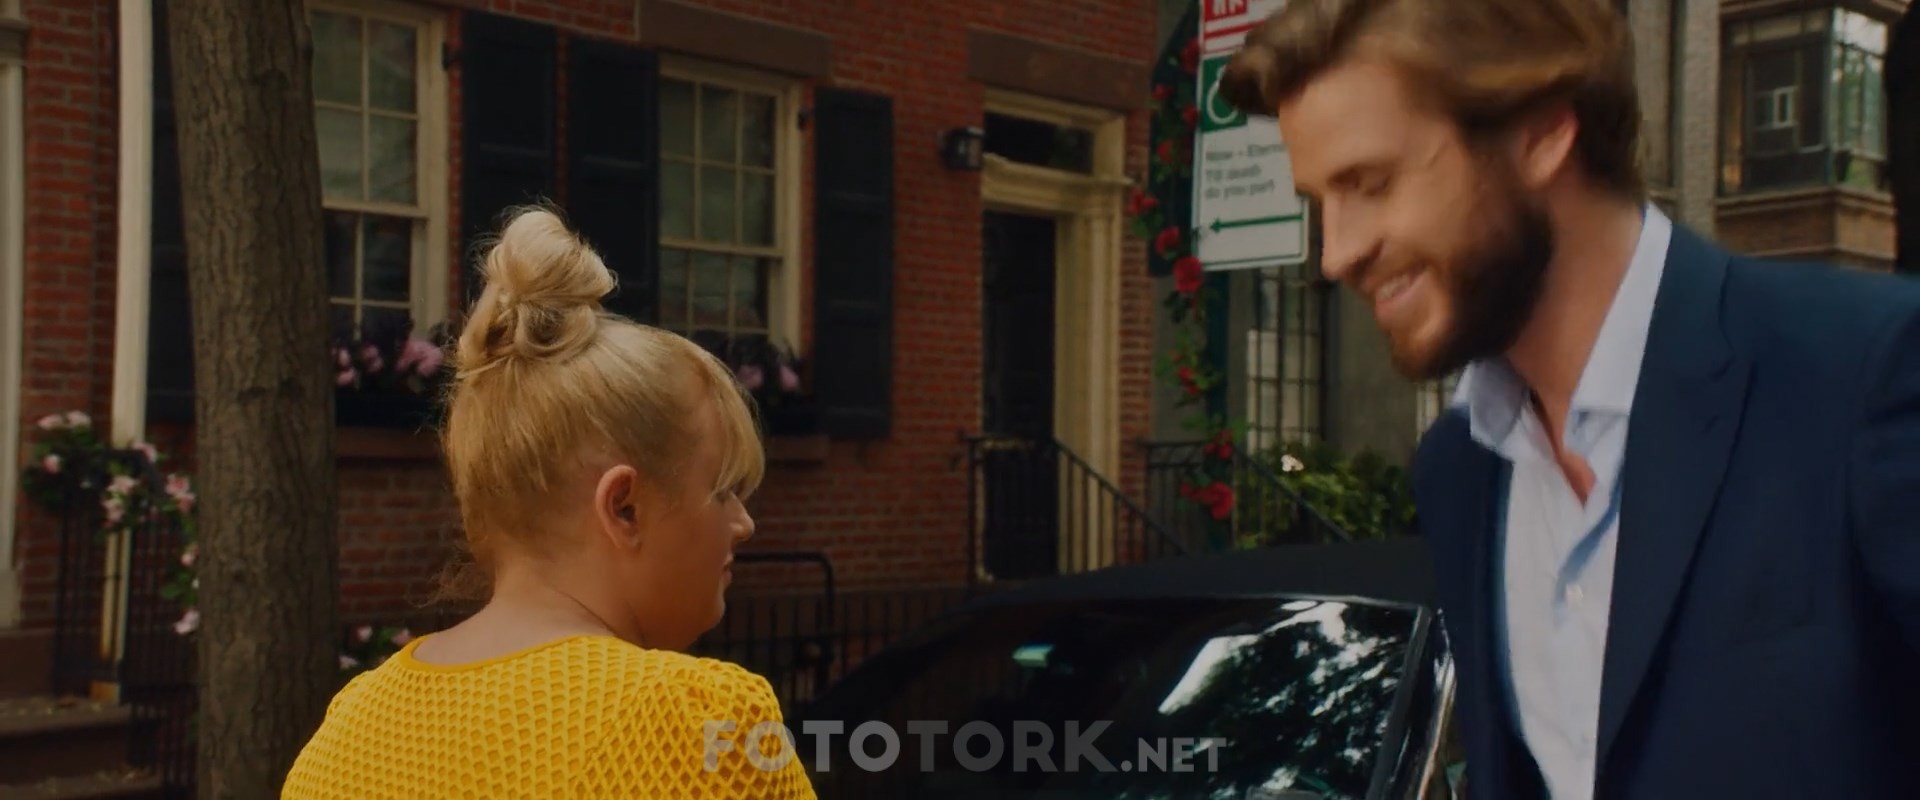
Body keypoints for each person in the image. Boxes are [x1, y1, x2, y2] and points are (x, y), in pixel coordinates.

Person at [1219, 1, 1920, 798]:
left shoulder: (1866, 371)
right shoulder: (1459, 471)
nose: (1337, 253)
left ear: (1543, 134)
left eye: (1369, 183)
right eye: (1319, 201)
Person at [282, 207, 815, 799]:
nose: (743, 522)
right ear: (624, 508)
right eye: (723, 488)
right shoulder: (701, 728)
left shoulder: (346, 731)